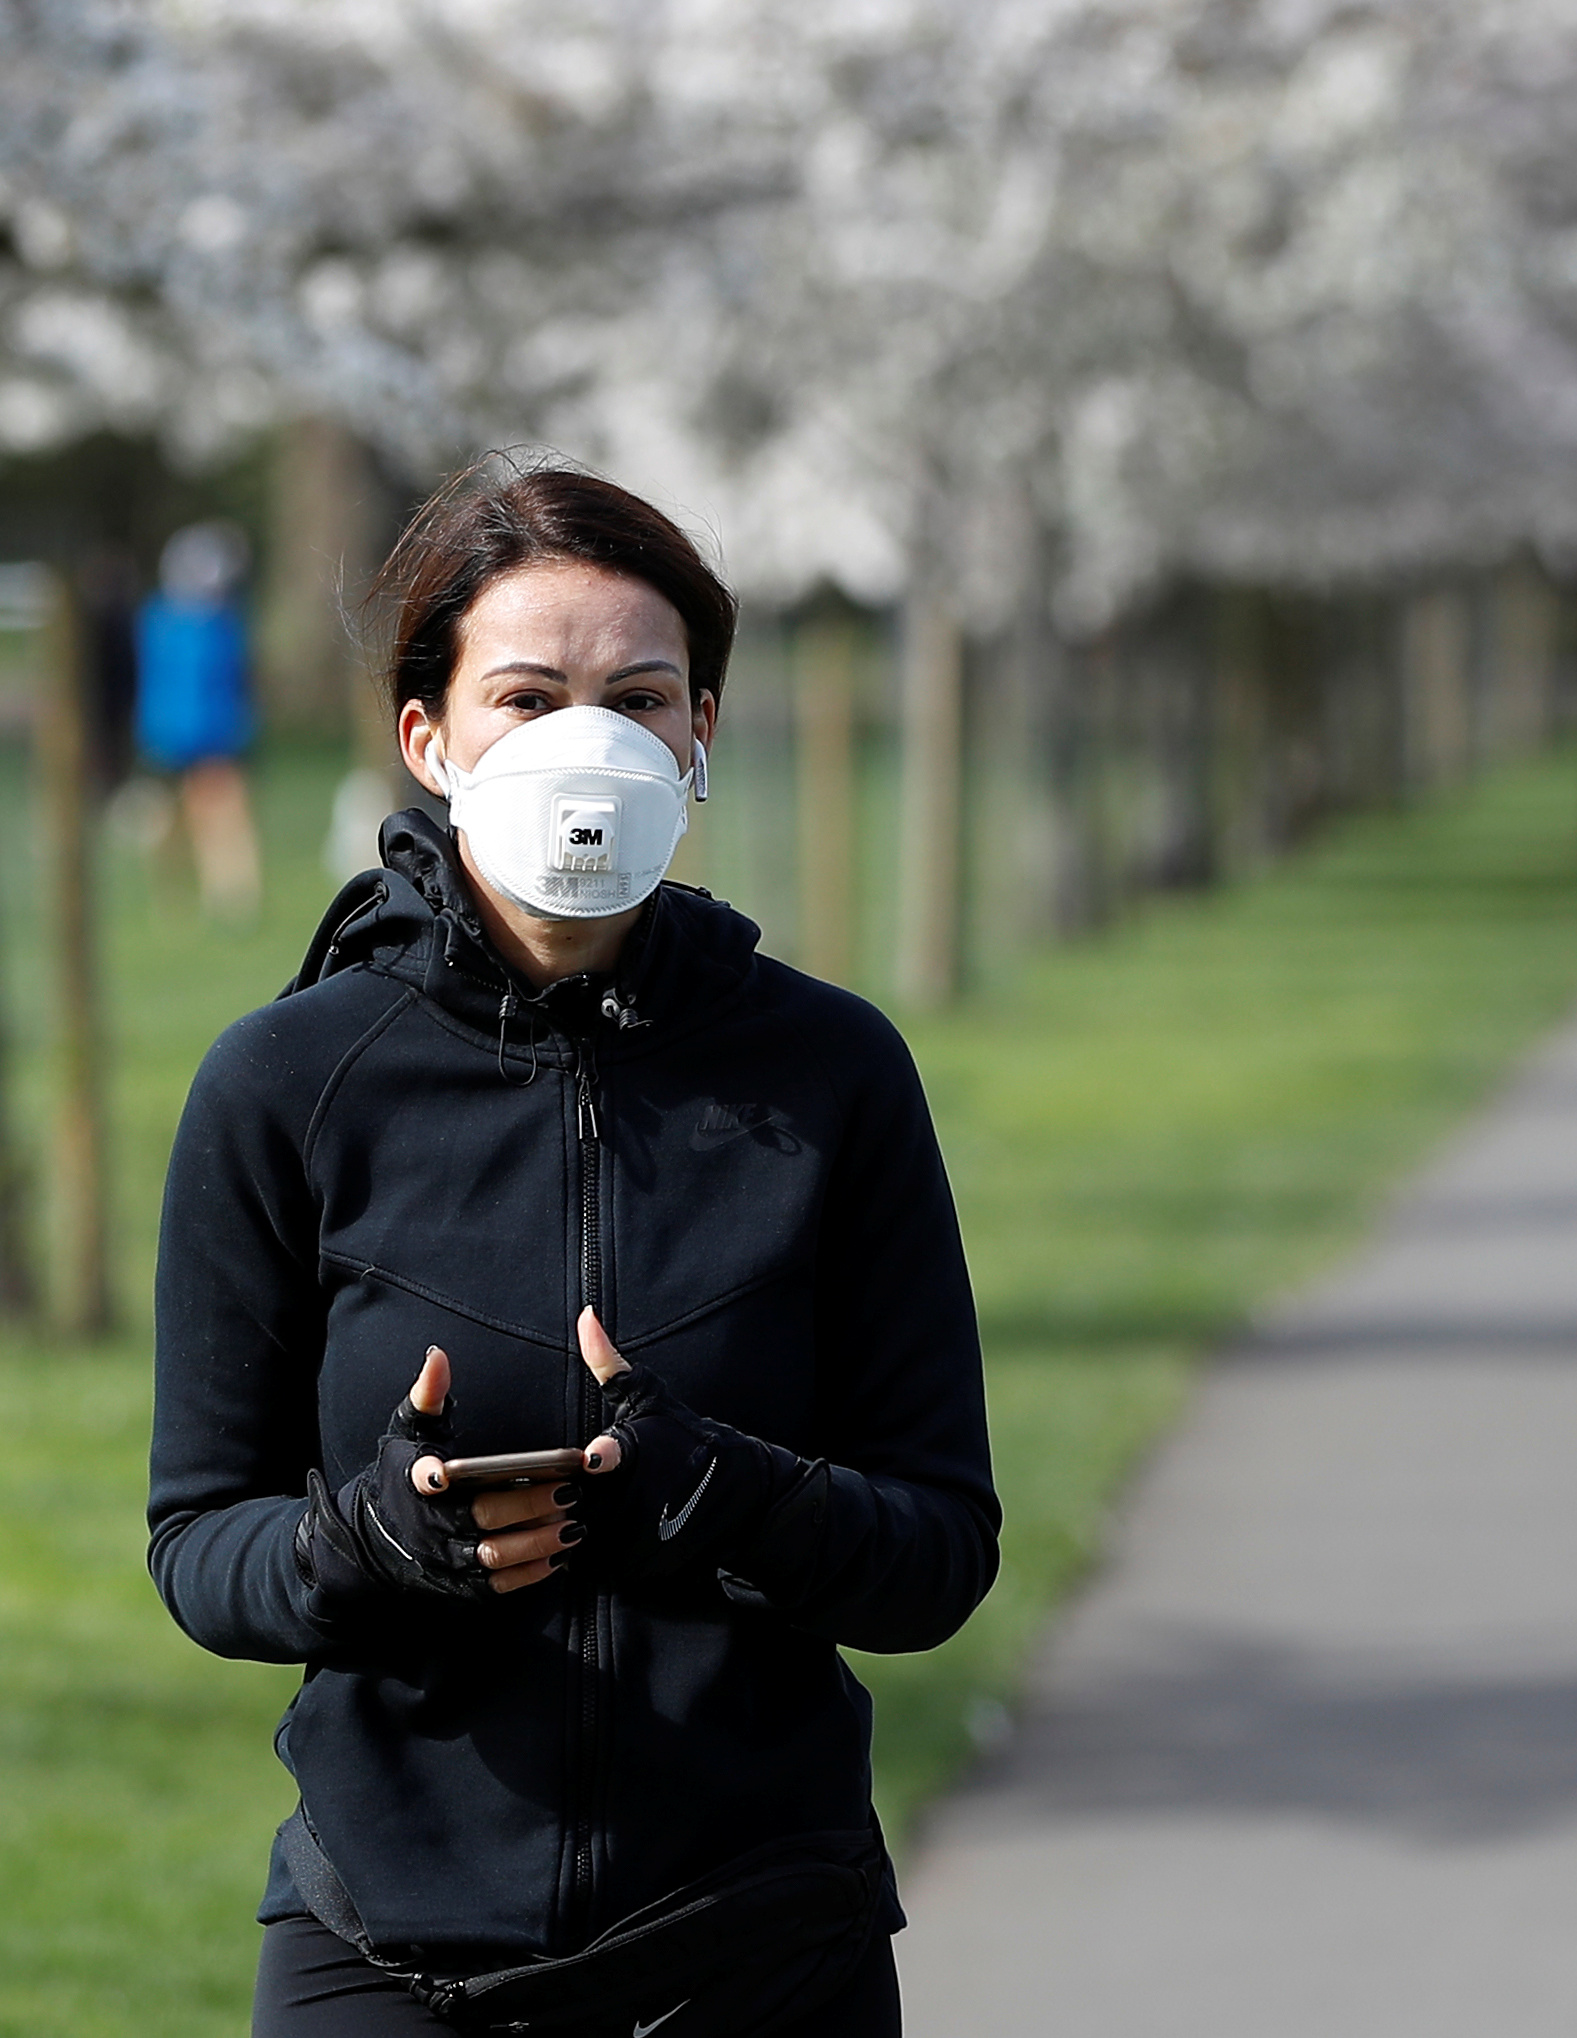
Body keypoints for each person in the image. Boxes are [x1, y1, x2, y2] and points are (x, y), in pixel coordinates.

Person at [146, 462, 999, 2036]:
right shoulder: (283, 1082)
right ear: (430, 737)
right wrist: (362, 1553)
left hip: (763, 1936)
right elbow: (199, 1542)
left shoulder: (833, 1073)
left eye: (640, 694)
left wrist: (733, 1492)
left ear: (700, 737)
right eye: (527, 695)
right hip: (388, 1945)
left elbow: (940, 1547)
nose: (584, 741)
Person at [138, 520, 265, 923]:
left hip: (203, 738)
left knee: (217, 815)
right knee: (177, 820)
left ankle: (229, 895)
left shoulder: (207, 622)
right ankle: (190, 895)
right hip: (185, 738)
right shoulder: (177, 623)